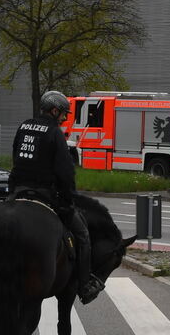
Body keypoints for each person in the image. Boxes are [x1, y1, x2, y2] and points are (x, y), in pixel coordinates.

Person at [7, 90, 102, 305]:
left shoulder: (24, 126)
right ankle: (85, 285)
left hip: (17, 191)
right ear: (54, 110)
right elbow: (65, 173)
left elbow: (15, 157)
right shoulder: (54, 132)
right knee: (83, 235)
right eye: (63, 115)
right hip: (44, 194)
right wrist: (69, 201)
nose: (64, 119)